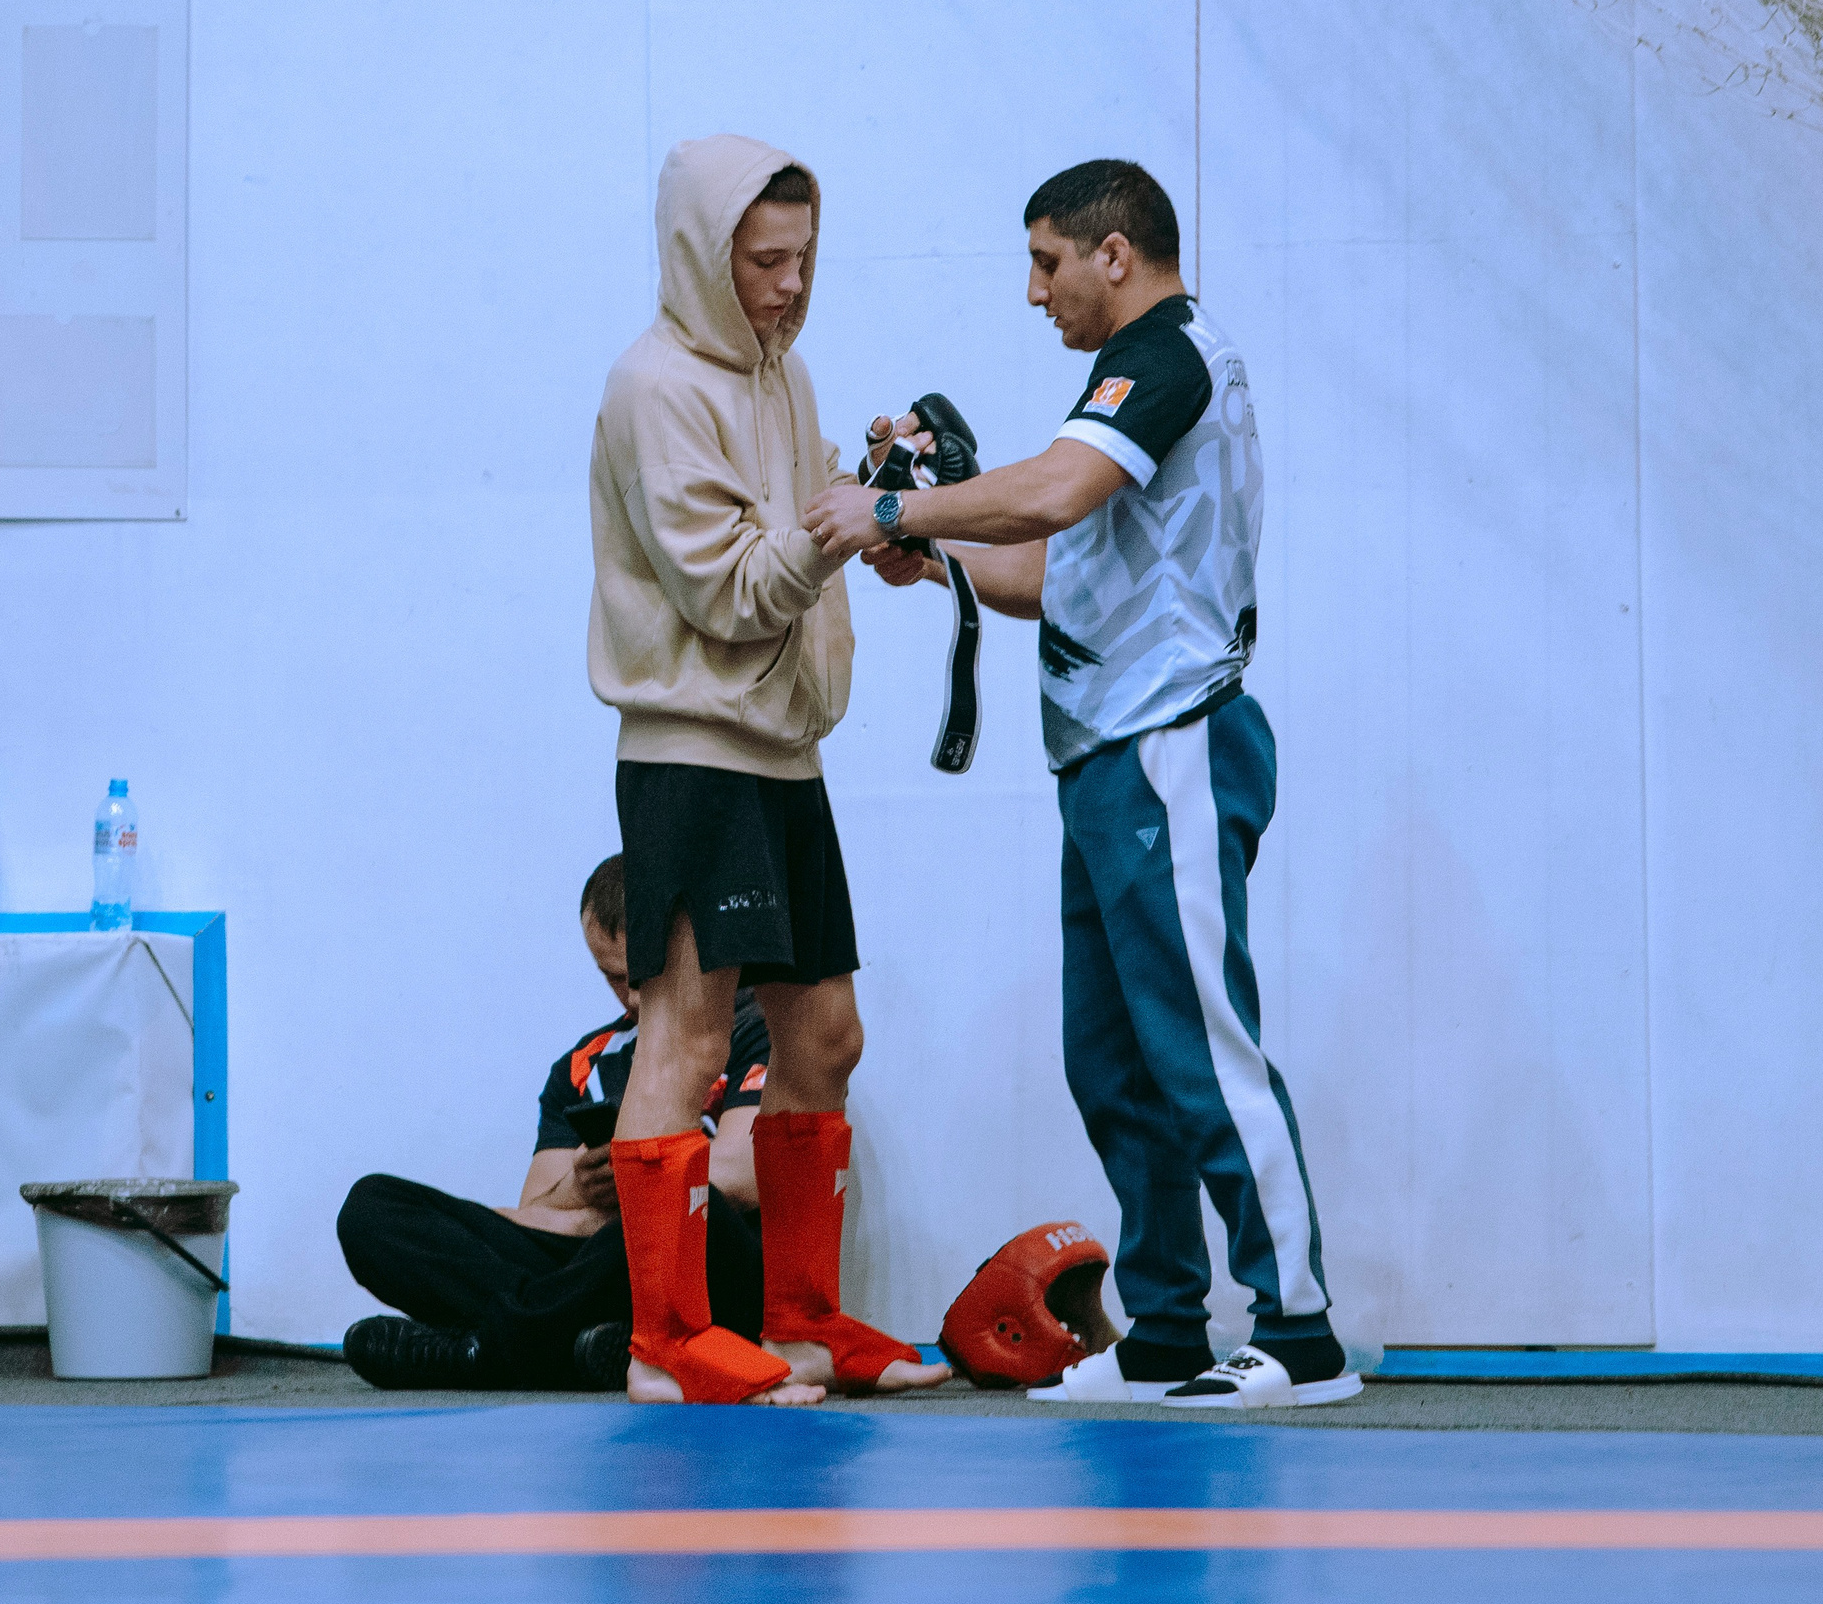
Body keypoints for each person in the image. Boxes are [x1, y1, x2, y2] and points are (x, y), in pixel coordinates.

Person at [803, 159, 1357, 1408]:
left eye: (1046, 261)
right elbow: (1055, 572)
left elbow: (1049, 494)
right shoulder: (1123, 386)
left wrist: (894, 507)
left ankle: (1301, 1333)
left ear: (1116, 253)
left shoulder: (1167, 356)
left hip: (1172, 745)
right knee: (1112, 1063)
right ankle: (1163, 1330)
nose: (1033, 290)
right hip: (1106, 754)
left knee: (1202, 1048)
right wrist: (932, 551)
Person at [589, 134, 947, 1405]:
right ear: (703, 254)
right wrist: (841, 530)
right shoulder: (651, 388)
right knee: (686, 1038)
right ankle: (662, 1342)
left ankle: (802, 1321)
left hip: (783, 752)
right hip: (692, 752)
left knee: (826, 1037)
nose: (790, 286)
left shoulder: (783, 374)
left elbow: (799, 533)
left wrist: (881, 509)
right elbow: (732, 593)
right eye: (763, 262)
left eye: (803, 258)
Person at [334, 855, 767, 1391]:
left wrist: (625, 1198)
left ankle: (484, 1351)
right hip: (591, 1268)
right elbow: (537, 1211)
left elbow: (743, 1177)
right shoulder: (583, 1064)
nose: (633, 996)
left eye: (646, 973)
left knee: (687, 1212)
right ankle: (575, 1344)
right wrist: (580, 1189)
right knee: (372, 1208)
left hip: (707, 1267)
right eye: (615, 978)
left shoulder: (755, 1026)